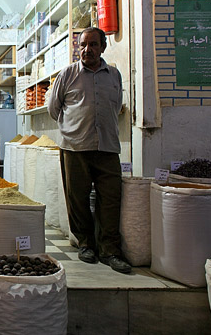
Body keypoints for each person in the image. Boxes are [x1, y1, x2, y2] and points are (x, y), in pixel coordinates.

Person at [46, 27, 131, 274]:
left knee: (111, 198)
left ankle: (110, 251)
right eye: (83, 45)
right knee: (78, 197)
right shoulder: (68, 75)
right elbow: (54, 108)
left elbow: (116, 107)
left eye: (93, 44)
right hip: (75, 146)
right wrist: (72, 128)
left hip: (107, 145)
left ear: (103, 47)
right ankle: (86, 244)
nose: (87, 50)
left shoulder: (114, 75)